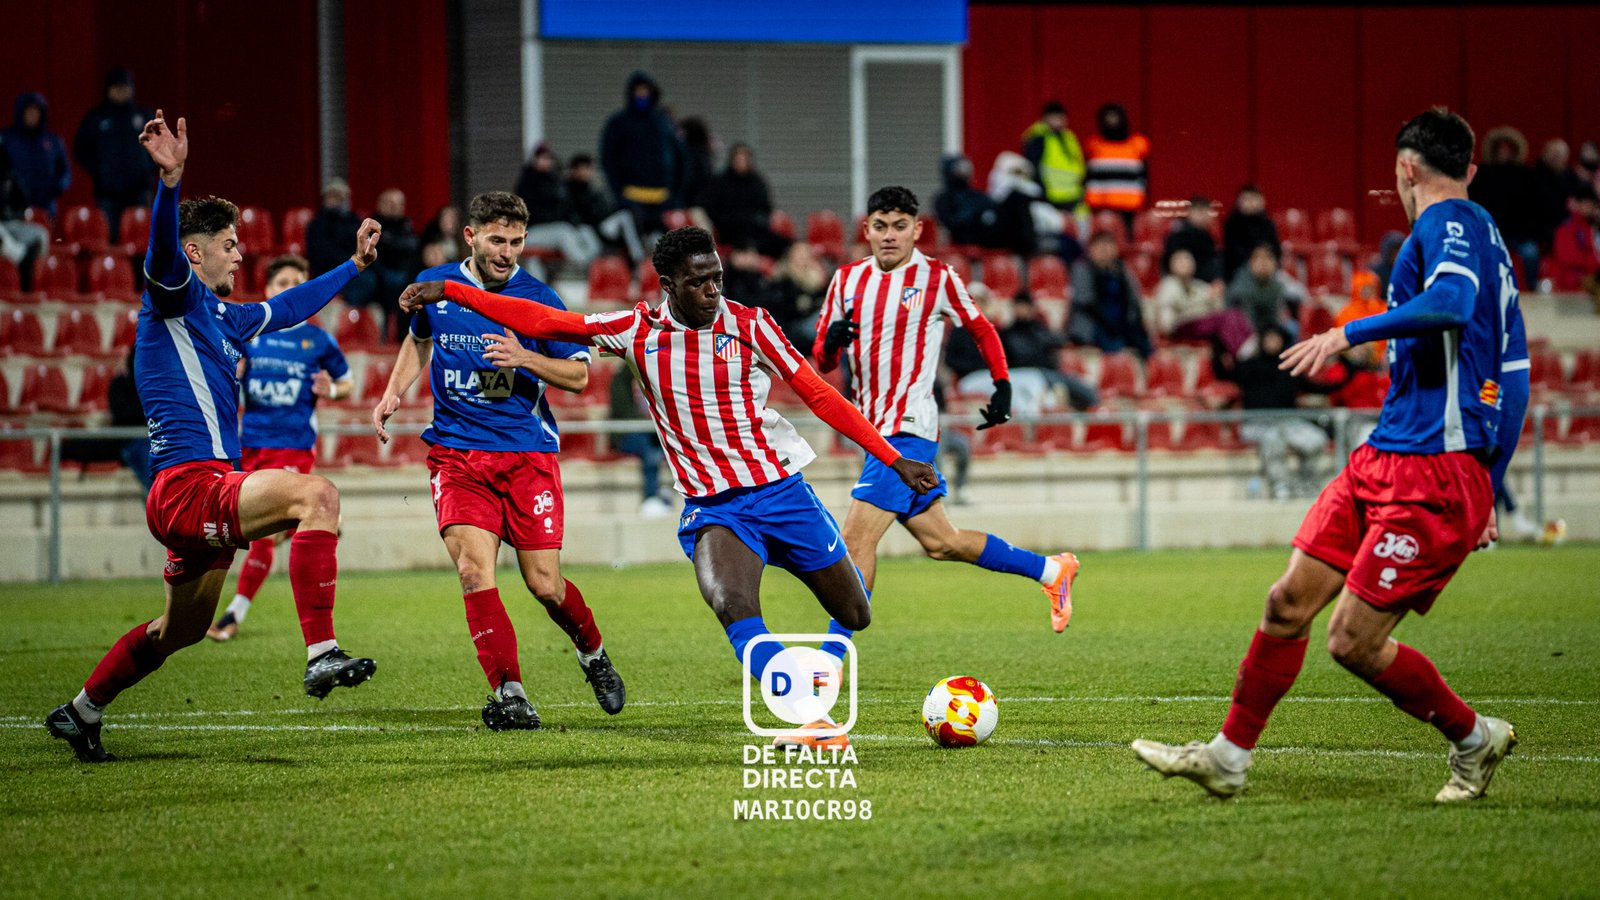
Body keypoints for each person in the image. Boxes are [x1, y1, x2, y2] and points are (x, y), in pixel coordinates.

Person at [398, 226, 942, 749]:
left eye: (718, 278)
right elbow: (544, 320)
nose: (713, 291)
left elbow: (820, 395)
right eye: (699, 282)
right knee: (730, 603)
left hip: (782, 494)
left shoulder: (751, 326)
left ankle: (808, 687)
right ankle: (806, 712)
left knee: (855, 615)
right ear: (669, 286)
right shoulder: (637, 331)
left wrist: (893, 459)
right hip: (714, 509)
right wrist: (453, 290)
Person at [1133, 107, 1523, 803]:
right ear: (1468, 163)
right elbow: (1515, 375)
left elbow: (1454, 302)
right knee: (1287, 603)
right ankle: (1228, 757)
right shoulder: (1485, 239)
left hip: (1433, 467)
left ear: (1405, 167)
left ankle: (1474, 739)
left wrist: (1348, 332)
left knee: (1352, 641)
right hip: (1385, 455)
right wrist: (1492, 484)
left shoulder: (1449, 222)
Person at [43, 111, 381, 764]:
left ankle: (81, 712)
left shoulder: (224, 317)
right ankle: (320, 653)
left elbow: (286, 308)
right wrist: (170, 182)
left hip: (193, 492)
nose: (240, 253)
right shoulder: (173, 294)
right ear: (197, 252)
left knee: (179, 632)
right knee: (319, 497)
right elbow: (161, 254)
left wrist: (352, 267)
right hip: (192, 485)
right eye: (230, 244)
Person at [372, 191, 622, 730]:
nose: (507, 252)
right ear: (471, 237)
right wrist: (394, 391)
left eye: (516, 241)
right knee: (471, 570)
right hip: (458, 455)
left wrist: (525, 357)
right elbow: (418, 340)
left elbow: (579, 376)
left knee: (544, 585)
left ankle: (593, 654)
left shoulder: (539, 299)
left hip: (527, 456)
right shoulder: (437, 287)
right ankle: (511, 693)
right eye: (496, 240)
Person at [813, 186, 1081, 633]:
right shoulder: (846, 281)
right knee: (943, 543)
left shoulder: (936, 277)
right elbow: (821, 361)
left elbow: (981, 327)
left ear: (917, 230)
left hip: (910, 427)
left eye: (900, 226)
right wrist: (833, 342)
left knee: (855, 539)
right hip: (870, 430)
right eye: (881, 226)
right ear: (867, 230)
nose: (890, 235)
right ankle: (1052, 571)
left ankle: (830, 663)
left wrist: (1002, 385)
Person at [208, 255, 354, 642]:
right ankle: (315, 518)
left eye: (297, 281)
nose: (290, 287)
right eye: (282, 282)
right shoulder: (251, 333)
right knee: (242, 526)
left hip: (292, 447)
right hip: (249, 444)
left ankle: (232, 615)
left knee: (262, 537)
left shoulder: (317, 339)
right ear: (269, 291)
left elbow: (348, 383)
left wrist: (333, 389)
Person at [1211, 325, 1341, 500]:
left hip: (1288, 423)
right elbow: (1223, 373)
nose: (1272, 342)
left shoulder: (1289, 368)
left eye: (1276, 338)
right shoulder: (1249, 366)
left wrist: (1347, 376)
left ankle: (1307, 483)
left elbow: (1316, 388)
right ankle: (1281, 485)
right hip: (1256, 424)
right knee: (1273, 439)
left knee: (1316, 440)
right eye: (1269, 338)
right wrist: (1217, 346)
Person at [72, 68, 157, 243]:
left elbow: (159, 149)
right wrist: (100, 172)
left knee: (143, 242)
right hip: (107, 195)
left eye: (124, 87)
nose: (120, 92)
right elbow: (80, 150)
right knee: (109, 241)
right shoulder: (96, 118)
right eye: (116, 87)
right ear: (108, 90)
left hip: (139, 193)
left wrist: (146, 170)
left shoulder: (143, 116)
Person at [599, 71, 684, 236]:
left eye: (645, 91)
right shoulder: (619, 123)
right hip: (632, 197)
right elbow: (609, 159)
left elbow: (681, 159)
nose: (642, 95)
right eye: (638, 91)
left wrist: (675, 195)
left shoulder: (664, 123)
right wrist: (619, 193)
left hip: (662, 200)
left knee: (663, 247)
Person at [1468, 126, 1540, 286]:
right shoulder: (1482, 174)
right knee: (1477, 253)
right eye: (1500, 149)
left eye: (1507, 149)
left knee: (1531, 253)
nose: (1504, 152)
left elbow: (1533, 207)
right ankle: (1483, 290)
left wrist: (1526, 231)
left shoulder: (1526, 174)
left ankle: (1532, 288)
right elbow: (1473, 204)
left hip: (1519, 233)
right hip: (1489, 231)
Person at [1070, 230, 1153, 358]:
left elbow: (1134, 301)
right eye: (1099, 245)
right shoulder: (1082, 268)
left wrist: (1132, 323)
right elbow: (1086, 303)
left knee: (1146, 347)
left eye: (1108, 245)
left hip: (1122, 323)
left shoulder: (1122, 271)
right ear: (1091, 249)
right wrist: (1110, 324)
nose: (1104, 249)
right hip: (1095, 324)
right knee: (1115, 347)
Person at [518, 143, 601, 271]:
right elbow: (531, 214)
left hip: (557, 229)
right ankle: (587, 268)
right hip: (532, 232)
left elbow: (568, 209)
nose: (545, 162)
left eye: (548, 158)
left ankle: (596, 266)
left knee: (585, 231)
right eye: (541, 158)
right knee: (563, 233)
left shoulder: (557, 182)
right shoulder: (528, 183)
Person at [1153, 248, 1253, 353]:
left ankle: (1250, 345)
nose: (1184, 264)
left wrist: (1215, 297)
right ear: (1171, 266)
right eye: (1180, 261)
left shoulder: (1198, 285)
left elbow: (1218, 309)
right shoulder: (1168, 285)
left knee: (1235, 313)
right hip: (1181, 326)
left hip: (1201, 325)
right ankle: (1242, 351)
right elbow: (1167, 320)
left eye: (1187, 260)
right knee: (1224, 320)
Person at [699, 143, 787, 258]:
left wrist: (757, 221)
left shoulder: (757, 182)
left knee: (784, 244)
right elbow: (712, 210)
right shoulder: (720, 182)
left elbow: (766, 209)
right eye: (738, 158)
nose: (741, 162)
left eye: (744, 158)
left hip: (755, 230)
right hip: (730, 232)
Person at [1021, 101, 1088, 234]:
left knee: (1082, 233)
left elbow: (1078, 164)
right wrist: (1042, 194)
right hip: (1049, 199)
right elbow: (1033, 169)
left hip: (1074, 198)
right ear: (1044, 118)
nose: (1058, 121)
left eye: (1060, 117)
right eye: (1053, 117)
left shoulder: (1069, 137)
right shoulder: (1038, 138)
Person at [305, 178, 375, 307]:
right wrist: (351, 261)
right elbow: (320, 254)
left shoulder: (354, 221)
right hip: (330, 270)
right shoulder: (317, 224)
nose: (336, 200)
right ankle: (349, 319)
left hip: (355, 266)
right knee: (367, 282)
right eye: (332, 196)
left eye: (339, 196)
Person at [1083, 102, 1150, 234]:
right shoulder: (1093, 145)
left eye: (1115, 117)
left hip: (1129, 207)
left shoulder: (1138, 145)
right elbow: (1087, 175)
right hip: (1101, 205)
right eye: (1108, 117)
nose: (1112, 121)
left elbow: (1144, 176)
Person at [566, 152, 644, 264]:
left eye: (587, 168)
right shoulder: (569, 191)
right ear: (574, 170)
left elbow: (604, 210)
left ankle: (634, 256)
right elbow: (578, 214)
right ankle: (637, 257)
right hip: (590, 229)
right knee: (625, 217)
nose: (585, 172)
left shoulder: (591, 190)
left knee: (630, 213)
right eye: (581, 169)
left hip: (603, 226)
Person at [3, 92, 71, 215]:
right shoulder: (6, 139)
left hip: (46, 205)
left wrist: (56, 188)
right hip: (15, 207)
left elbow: (65, 171)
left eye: (36, 112)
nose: (32, 116)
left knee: (43, 233)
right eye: (28, 112)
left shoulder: (53, 141)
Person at [371, 188, 419, 341]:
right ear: (380, 204)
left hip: (405, 273)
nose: (396, 207)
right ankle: (393, 336)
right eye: (391, 203)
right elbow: (373, 258)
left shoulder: (406, 225)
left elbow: (414, 248)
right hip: (382, 274)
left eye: (399, 204)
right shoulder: (372, 226)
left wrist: (393, 244)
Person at [0, 140, 49, 284]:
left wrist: (14, 214)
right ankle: (22, 258)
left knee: (41, 235)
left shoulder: (9, 176)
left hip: (11, 223)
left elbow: (23, 203)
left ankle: (37, 280)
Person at [1227, 243, 1297, 337]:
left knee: (1292, 327)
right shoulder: (1241, 285)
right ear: (1251, 262)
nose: (1263, 263)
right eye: (1258, 258)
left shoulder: (1278, 284)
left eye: (1268, 258)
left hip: (1272, 332)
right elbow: (1244, 318)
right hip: (1247, 333)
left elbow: (1300, 294)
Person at [934, 154, 996, 248]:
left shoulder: (979, 197)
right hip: (955, 250)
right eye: (958, 170)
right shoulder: (943, 200)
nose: (963, 173)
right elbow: (950, 224)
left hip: (984, 248)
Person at [1221, 185, 1280, 282]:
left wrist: (1267, 262)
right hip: (1241, 270)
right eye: (1246, 199)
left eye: (1253, 199)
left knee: (1295, 291)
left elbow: (1276, 249)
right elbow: (1234, 253)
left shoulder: (1268, 222)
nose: (1250, 203)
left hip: (1269, 269)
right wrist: (1256, 263)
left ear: (1262, 201)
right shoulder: (1232, 223)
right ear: (1239, 202)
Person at [1549, 185, 1599, 296]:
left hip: (1589, 277)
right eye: (1588, 204)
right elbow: (1567, 257)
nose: (1591, 209)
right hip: (1570, 280)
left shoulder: (1590, 227)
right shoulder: (1566, 228)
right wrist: (1593, 263)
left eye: (1593, 205)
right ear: (1579, 204)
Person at [1163, 195, 1223, 283]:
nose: (1202, 215)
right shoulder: (1178, 236)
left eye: (1205, 211)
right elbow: (1171, 265)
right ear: (1189, 212)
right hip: (1181, 282)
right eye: (1198, 211)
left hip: (1206, 285)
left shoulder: (1210, 238)